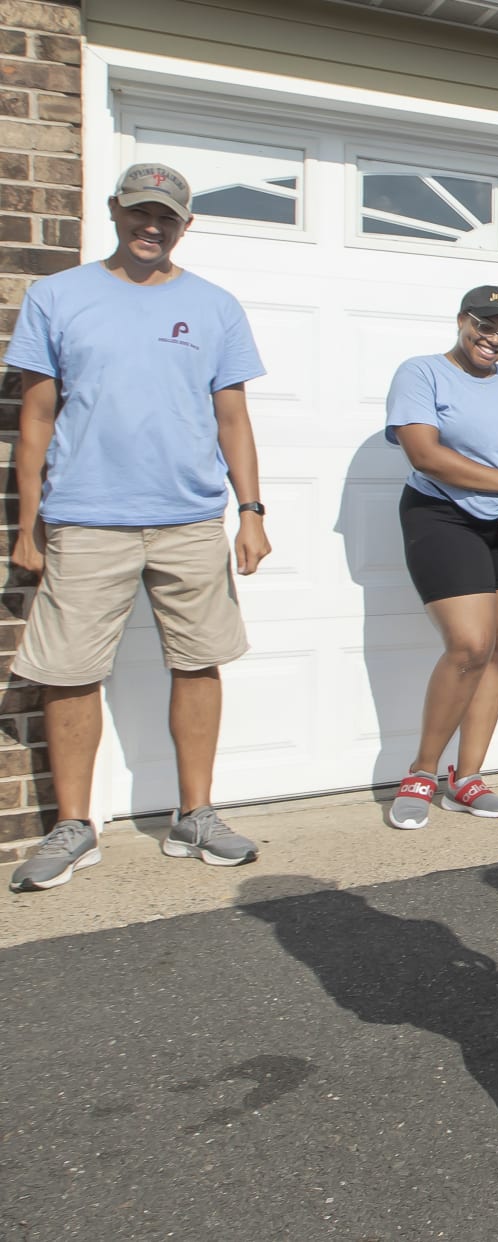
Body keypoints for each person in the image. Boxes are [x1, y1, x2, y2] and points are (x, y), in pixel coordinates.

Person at [6, 163, 269, 893]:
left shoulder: (214, 306)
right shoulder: (57, 297)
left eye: (167, 217)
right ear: (116, 211)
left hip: (188, 517)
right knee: (69, 671)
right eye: (140, 213)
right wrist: (27, 528)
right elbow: (34, 419)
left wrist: (250, 511)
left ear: (186, 225)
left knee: (199, 659)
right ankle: (74, 825)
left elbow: (232, 417)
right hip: (87, 518)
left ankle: (196, 813)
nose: (151, 227)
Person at [381, 286, 498, 830]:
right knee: (469, 644)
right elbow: (425, 454)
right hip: (442, 513)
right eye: (485, 325)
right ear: (461, 321)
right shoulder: (422, 373)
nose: (493, 339)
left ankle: (466, 779)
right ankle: (421, 772)